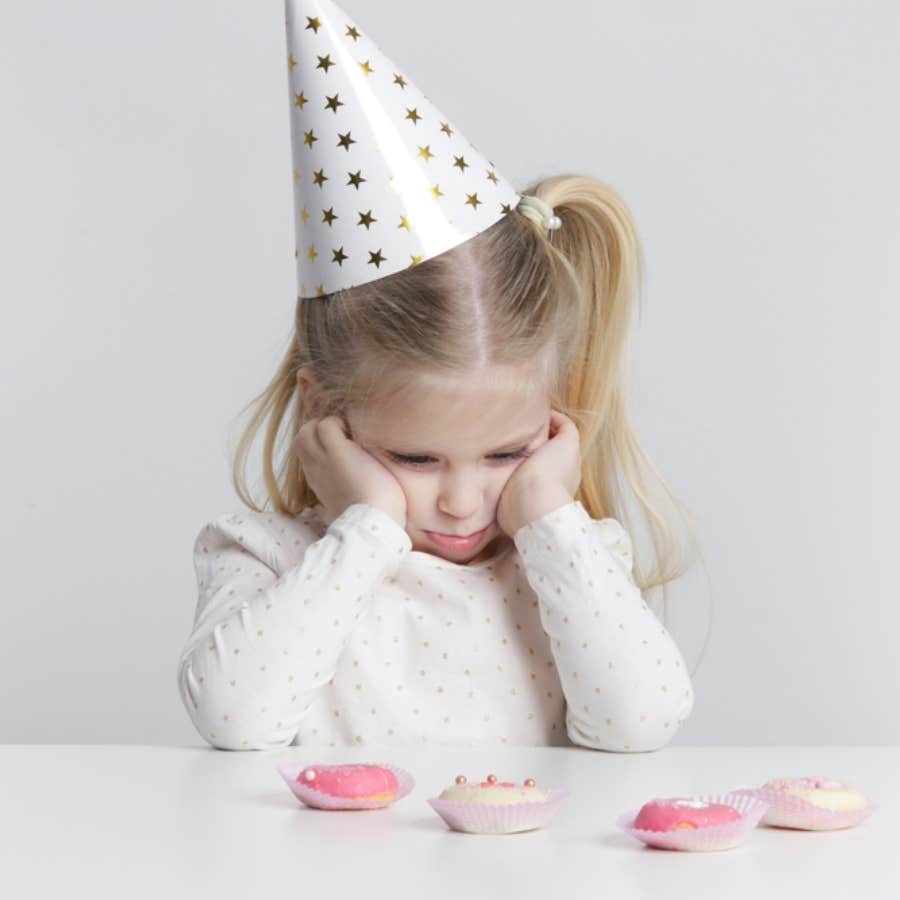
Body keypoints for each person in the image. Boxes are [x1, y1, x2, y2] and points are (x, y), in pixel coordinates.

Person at [176, 0, 704, 752]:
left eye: (506, 453)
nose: (462, 503)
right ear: (325, 413)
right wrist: (366, 527)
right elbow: (236, 720)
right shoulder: (268, 559)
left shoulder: (564, 556)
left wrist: (550, 515)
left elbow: (641, 724)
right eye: (416, 458)